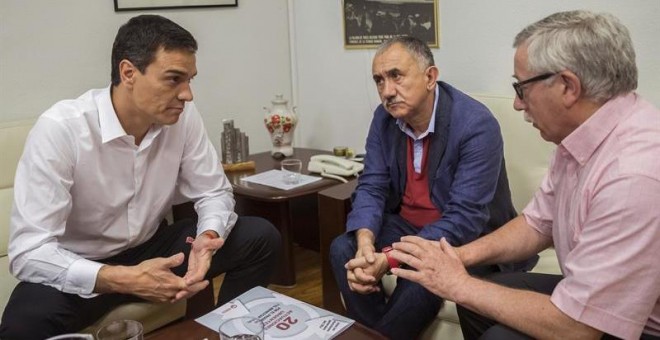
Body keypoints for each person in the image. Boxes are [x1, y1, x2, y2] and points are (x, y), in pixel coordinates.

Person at [0, 15, 281, 339]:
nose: (187, 94)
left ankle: (230, 333)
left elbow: (213, 191)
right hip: (84, 263)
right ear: (128, 73)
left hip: (151, 248)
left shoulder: (183, 117)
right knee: (20, 328)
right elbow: (29, 251)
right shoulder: (62, 129)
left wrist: (207, 238)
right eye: (173, 79)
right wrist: (122, 277)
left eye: (190, 79)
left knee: (260, 237)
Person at [390, 10, 660, 340]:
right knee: (478, 297)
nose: (518, 105)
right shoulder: (578, 136)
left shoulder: (633, 174)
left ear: (567, 86)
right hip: (603, 298)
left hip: (640, 326)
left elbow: (578, 329)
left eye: (522, 88)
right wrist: (458, 258)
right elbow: (537, 223)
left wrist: (458, 284)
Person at [329, 36, 535, 339]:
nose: (387, 91)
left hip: (466, 238)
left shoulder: (476, 125)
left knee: (422, 274)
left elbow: (464, 219)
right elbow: (372, 186)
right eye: (379, 80)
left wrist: (390, 258)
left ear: (430, 77)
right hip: (408, 226)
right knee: (342, 248)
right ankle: (377, 333)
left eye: (396, 76)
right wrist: (365, 243)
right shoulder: (384, 119)